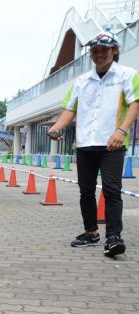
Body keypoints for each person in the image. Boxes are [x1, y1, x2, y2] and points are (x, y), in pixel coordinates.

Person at [48, 31, 139, 257]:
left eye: (104, 50)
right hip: (86, 143)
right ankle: (91, 233)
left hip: (112, 144)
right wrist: (56, 127)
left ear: (114, 51)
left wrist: (121, 130)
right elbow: (71, 109)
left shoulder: (128, 75)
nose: (99, 55)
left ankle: (113, 237)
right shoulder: (81, 81)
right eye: (95, 51)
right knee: (86, 191)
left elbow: (135, 104)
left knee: (111, 190)